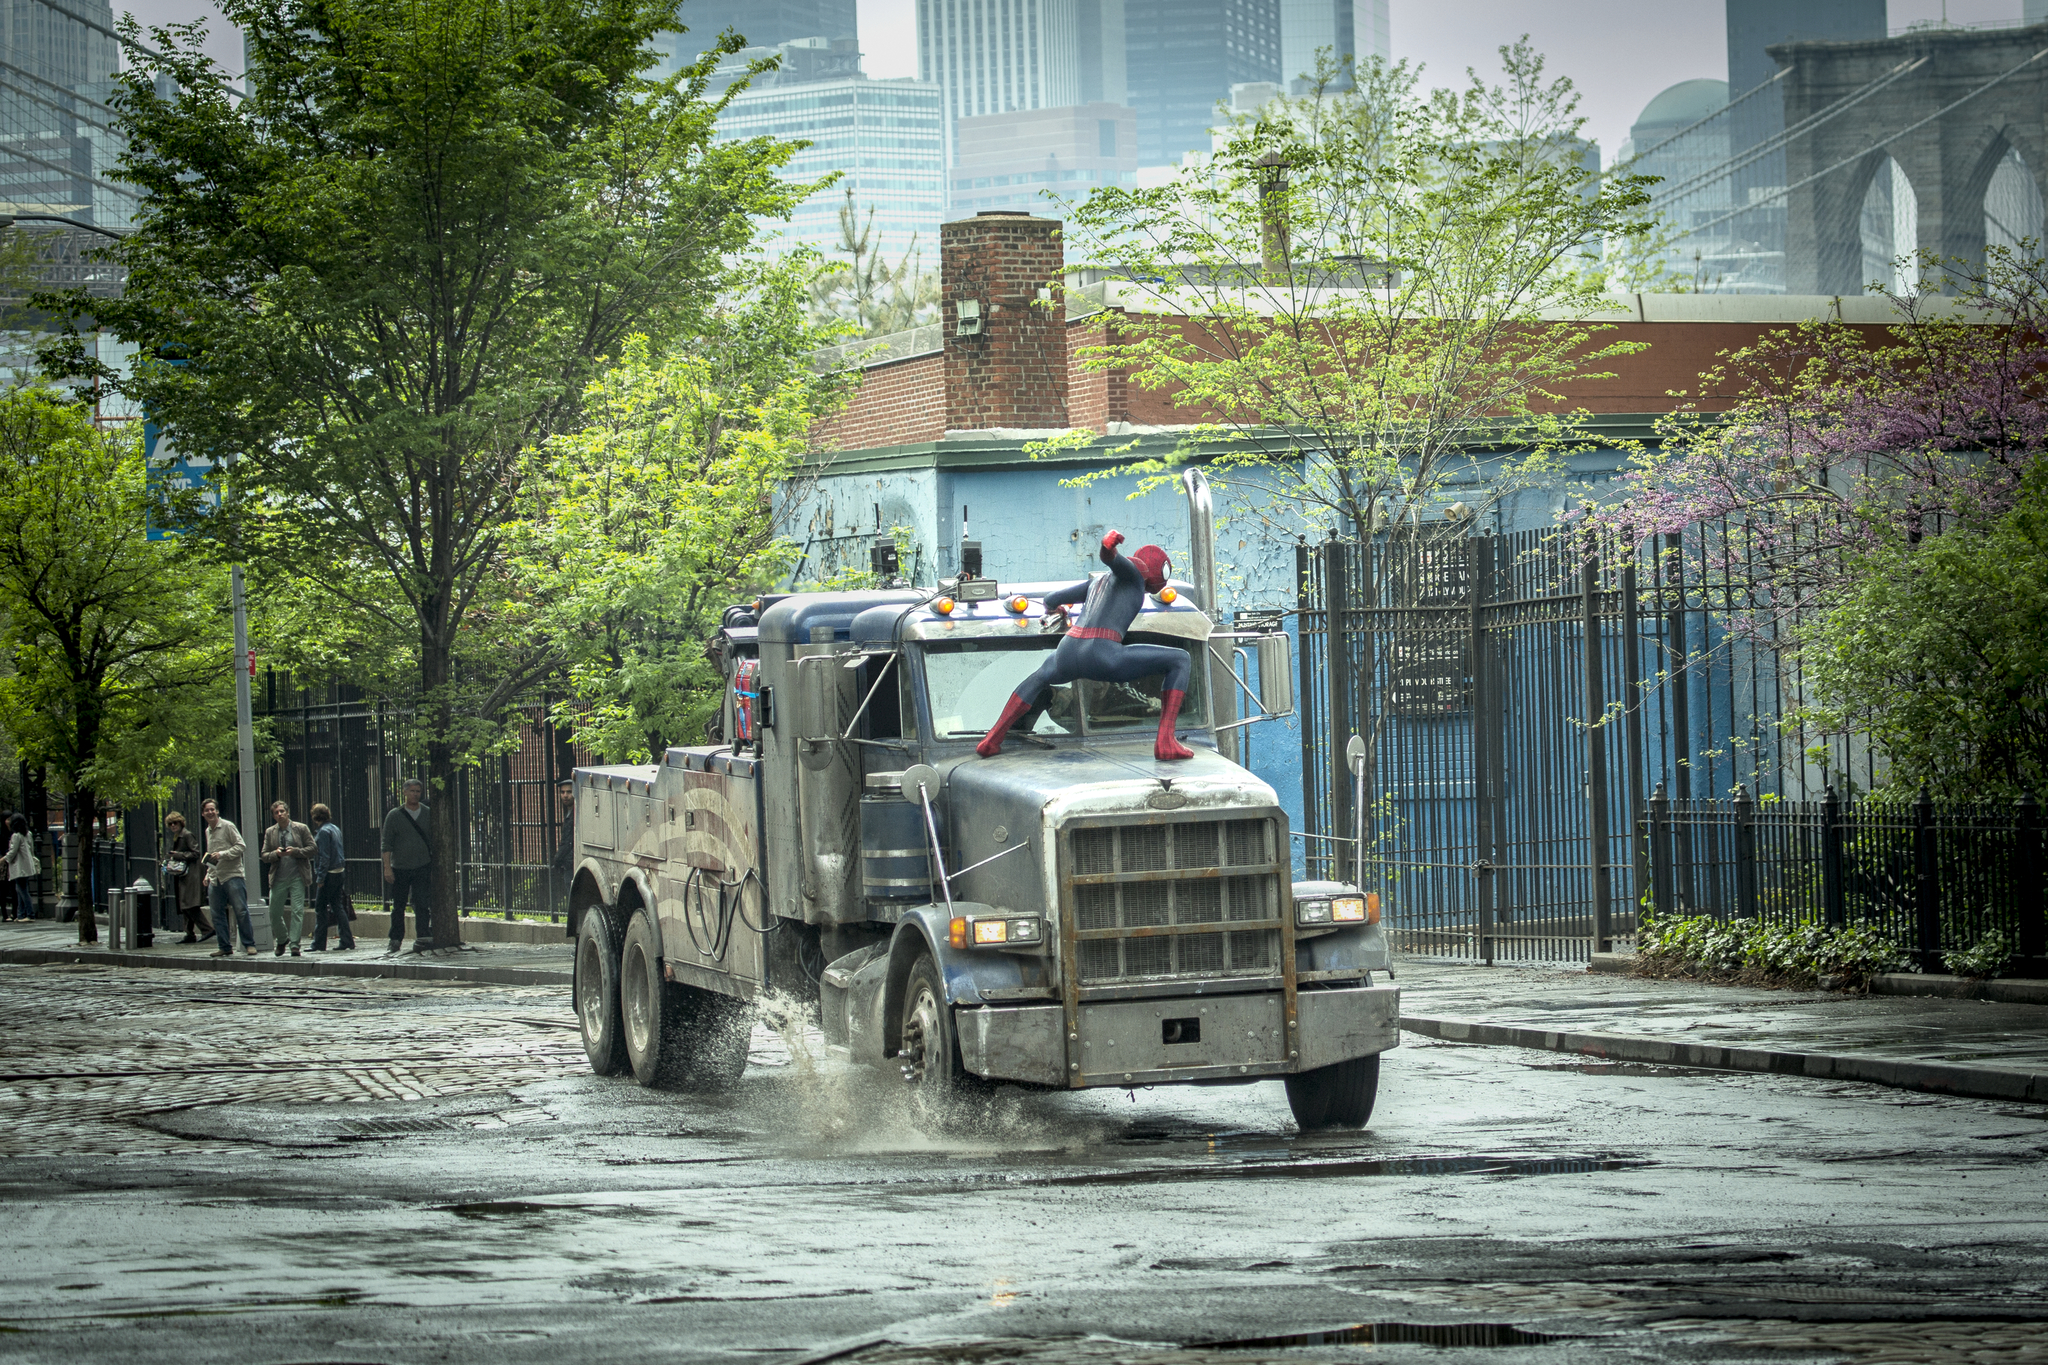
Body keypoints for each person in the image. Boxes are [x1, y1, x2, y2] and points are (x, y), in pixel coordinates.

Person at [977, 530, 1195, 761]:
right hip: (1102, 652)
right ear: (1154, 574)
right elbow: (1111, 559)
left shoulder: (1096, 583)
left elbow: (1050, 599)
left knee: (1039, 677)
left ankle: (992, 738)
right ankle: (1165, 741)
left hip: (1068, 650)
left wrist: (1056, 610)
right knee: (1181, 659)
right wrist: (1108, 546)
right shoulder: (1134, 577)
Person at [380, 778, 433, 952]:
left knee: (422, 902)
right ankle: (395, 939)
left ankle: (423, 936)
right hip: (400, 866)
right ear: (404, 792)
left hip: (422, 865)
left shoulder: (427, 813)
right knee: (398, 905)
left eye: (418, 791)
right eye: (412, 791)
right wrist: (387, 868)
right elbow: (386, 844)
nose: (415, 794)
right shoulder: (394, 815)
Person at [200, 797, 257, 957]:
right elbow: (211, 854)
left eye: (212, 809)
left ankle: (249, 944)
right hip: (215, 877)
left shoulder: (227, 826)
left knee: (241, 911)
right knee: (217, 914)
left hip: (232, 875)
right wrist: (207, 874)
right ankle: (224, 946)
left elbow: (241, 846)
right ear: (203, 814)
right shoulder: (208, 831)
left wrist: (223, 854)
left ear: (217, 811)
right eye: (207, 810)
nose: (210, 812)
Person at [260, 800, 315, 957]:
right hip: (278, 877)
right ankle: (282, 939)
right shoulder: (270, 832)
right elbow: (264, 855)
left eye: (282, 811)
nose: (280, 814)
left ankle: (295, 944)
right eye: (276, 812)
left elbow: (313, 848)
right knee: (274, 912)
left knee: (298, 910)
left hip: (297, 876)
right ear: (273, 816)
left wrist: (295, 851)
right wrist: (276, 854)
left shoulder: (300, 828)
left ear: (287, 812)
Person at [308, 802, 354, 952]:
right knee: (337, 906)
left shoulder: (322, 832)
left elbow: (324, 856)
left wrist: (320, 878)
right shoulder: (335, 828)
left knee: (320, 908)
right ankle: (347, 939)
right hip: (339, 871)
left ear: (315, 817)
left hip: (329, 874)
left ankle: (319, 943)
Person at [162, 811, 212, 943]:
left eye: (175, 823)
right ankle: (189, 933)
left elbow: (195, 853)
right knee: (185, 904)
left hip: (192, 873)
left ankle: (207, 929)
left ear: (180, 822)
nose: (173, 825)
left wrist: (177, 855)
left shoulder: (186, 835)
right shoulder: (178, 836)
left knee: (188, 904)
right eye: (170, 824)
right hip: (184, 874)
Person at [5, 813, 35, 922]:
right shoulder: (28, 834)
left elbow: (13, 851)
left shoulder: (16, 836)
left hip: (20, 866)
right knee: (20, 889)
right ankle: (21, 914)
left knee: (22, 890)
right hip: (27, 866)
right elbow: (31, 849)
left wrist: (4, 859)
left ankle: (30, 914)